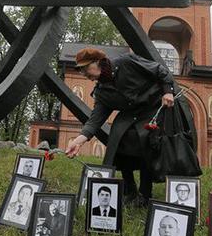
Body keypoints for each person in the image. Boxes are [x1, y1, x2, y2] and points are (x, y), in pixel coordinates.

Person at [65, 48, 176, 207]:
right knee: (117, 138)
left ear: (98, 62)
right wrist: (78, 141)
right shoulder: (101, 91)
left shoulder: (127, 62)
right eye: (81, 70)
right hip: (130, 113)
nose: (84, 73)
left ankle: (145, 194)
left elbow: (160, 70)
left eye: (85, 68)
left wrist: (167, 91)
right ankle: (129, 190)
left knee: (143, 139)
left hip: (152, 107)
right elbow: (94, 121)